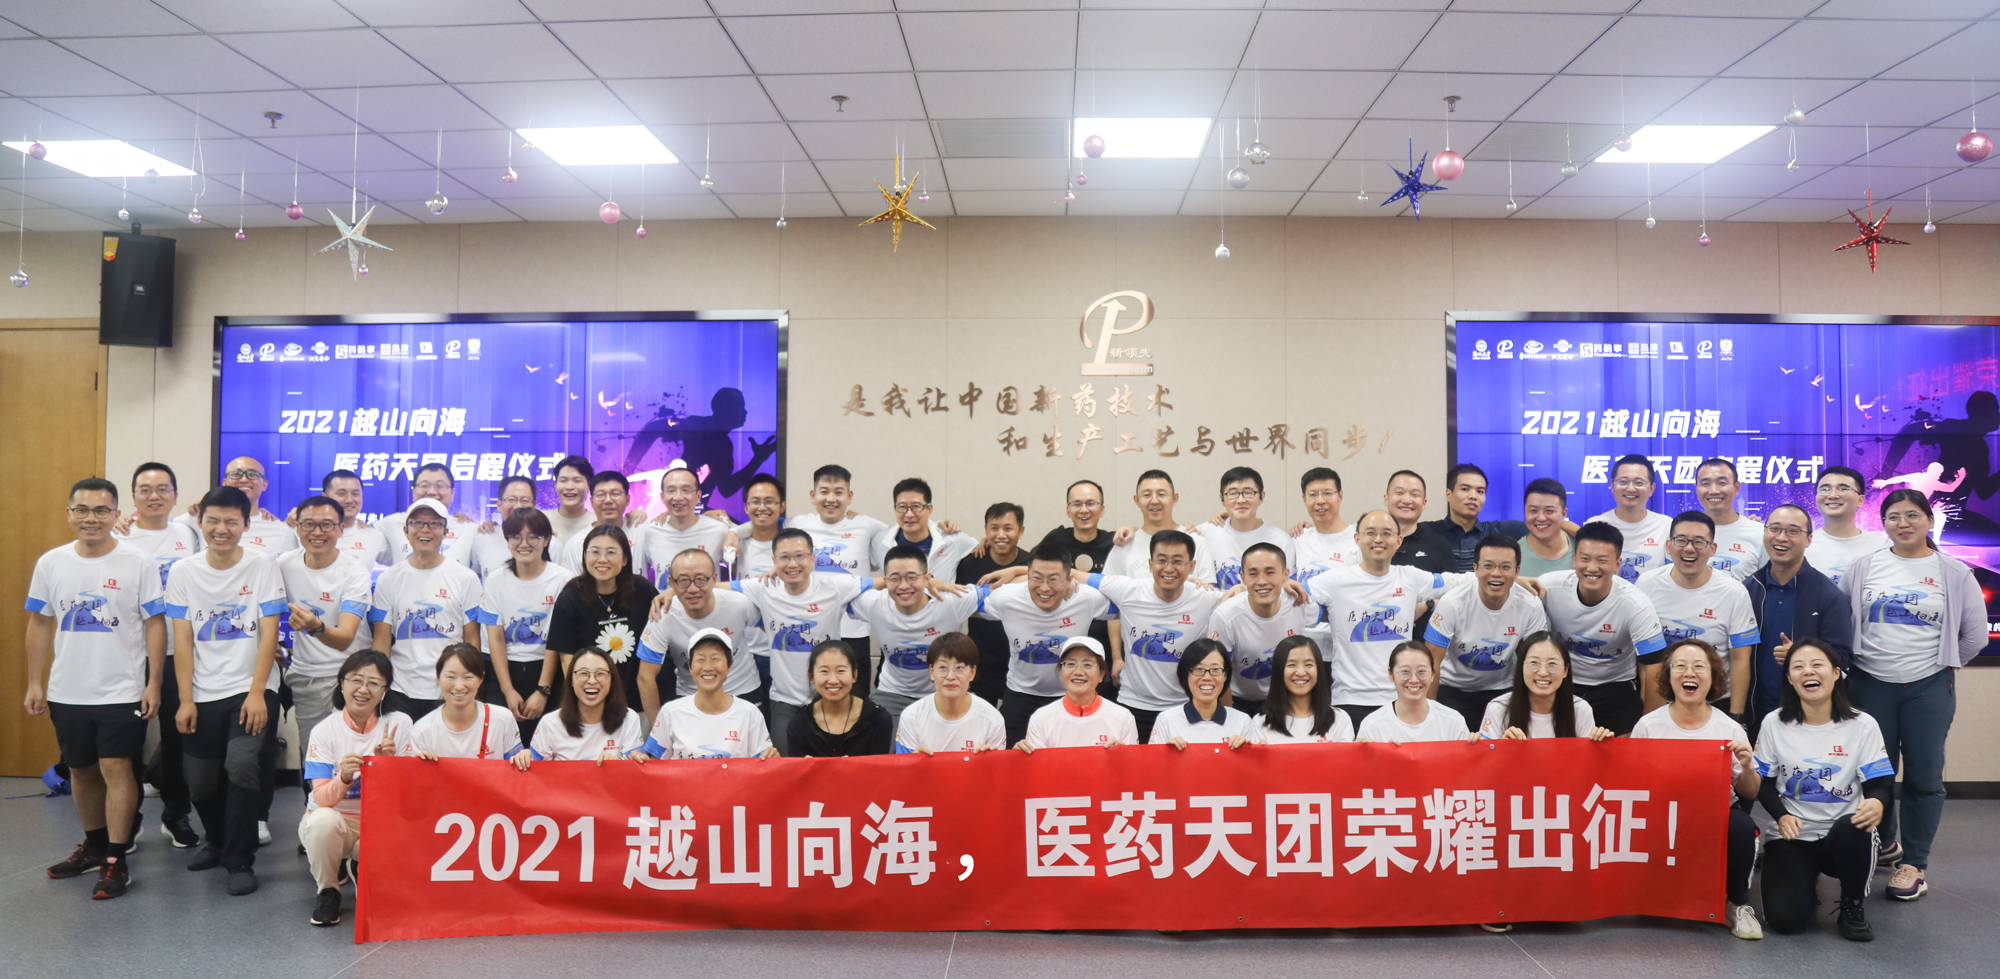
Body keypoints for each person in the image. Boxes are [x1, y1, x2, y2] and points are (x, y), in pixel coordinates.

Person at [26, 477, 167, 898]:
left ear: (116, 514)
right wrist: (34, 681)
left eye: (102, 510)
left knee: (116, 768)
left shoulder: (138, 562)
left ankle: (116, 858)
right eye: (83, 510)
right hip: (67, 690)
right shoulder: (51, 562)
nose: (92, 518)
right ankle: (94, 845)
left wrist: (154, 682)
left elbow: (154, 624)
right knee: (81, 770)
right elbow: (40, 622)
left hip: (122, 690)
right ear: (69, 514)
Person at [1840, 488, 1984, 900]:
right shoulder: (1863, 567)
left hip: (1929, 686)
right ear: (1882, 523)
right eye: (1893, 517)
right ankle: (1885, 844)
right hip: (1869, 683)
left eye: (1912, 515)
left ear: (1929, 520)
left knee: (1924, 775)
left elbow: (1973, 636)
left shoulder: (1954, 572)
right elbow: (1845, 623)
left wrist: (1940, 666)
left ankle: (1915, 863)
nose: (1903, 523)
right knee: (1875, 772)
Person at [167, 486, 286, 896]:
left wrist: (258, 692)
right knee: (199, 782)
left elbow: (269, 633)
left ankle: (239, 858)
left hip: (251, 687)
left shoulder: (263, 566)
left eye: (231, 521)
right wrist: (185, 699)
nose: (221, 529)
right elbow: (183, 639)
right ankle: (217, 841)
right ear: (200, 522)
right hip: (202, 691)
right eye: (213, 520)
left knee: (241, 766)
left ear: (246, 525)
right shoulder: (183, 572)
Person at [1754, 638, 1892, 941]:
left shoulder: (1863, 725)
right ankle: (1804, 882)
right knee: (1785, 921)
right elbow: (1761, 783)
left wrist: (1877, 802)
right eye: (1798, 667)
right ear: (1790, 679)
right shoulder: (1773, 723)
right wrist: (1781, 816)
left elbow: (1880, 784)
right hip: (1793, 836)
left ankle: (1852, 904)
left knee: (1857, 824)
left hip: (1843, 835)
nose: (1808, 671)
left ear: (1836, 673)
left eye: (1817, 664)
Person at [1631, 639, 1764, 941]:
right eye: (1680, 666)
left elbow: (1750, 792)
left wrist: (1746, 767)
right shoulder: (1648, 726)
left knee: (1742, 827)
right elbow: (1633, 784)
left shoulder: (1729, 728)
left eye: (1699, 667)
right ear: (1668, 676)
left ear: (1713, 676)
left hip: (1714, 814)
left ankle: (1736, 905)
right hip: (1661, 815)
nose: (1689, 673)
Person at [114, 461, 203, 849]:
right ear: (133, 496)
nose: (154, 496)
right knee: (129, 740)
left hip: (176, 653)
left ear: (175, 496)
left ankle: (175, 814)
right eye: (145, 489)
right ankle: (128, 821)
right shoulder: (118, 536)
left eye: (163, 489)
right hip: (130, 655)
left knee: (176, 737)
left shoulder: (187, 532)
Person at [1307, 510, 1464, 728]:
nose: (1378, 539)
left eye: (1386, 533)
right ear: (1357, 538)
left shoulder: (1410, 577)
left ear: (1398, 541)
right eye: (1370, 533)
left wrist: (1501, 578)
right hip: (1350, 700)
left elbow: (1454, 582)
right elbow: (1295, 595)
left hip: (1400, 698)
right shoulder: (1334, 581)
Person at [728, 527, 874, 754]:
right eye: (784, 558)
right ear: (774, 561)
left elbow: (887, 582)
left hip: (830, 698)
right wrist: (672, 592)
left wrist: (926, 583)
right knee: (787, 764)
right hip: (785, 702)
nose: (792, 564)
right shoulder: (764, 587)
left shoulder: (834, 586)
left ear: (812, 558)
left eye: (799, 556)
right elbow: (711, 589)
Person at [298, 649, 411, 927]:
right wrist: (344, 777)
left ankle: (362, 867)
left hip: (379, 822)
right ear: (342, 684)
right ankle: (328, 890)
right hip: (338, 822)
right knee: (323, 820)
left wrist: (389, 766)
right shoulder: (323, 731)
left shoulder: (400, 724)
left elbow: (408, 794)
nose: (363, 689)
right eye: (356, 680)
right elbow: (321, 799)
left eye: (374, 683)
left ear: (385, 691)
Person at [1087, 530, 1230, 743]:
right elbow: (1075, 576)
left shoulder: (1205, 597)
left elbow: (1245, 600)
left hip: (1184, 707)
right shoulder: (1129, 590)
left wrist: (1241, 587)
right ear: (1150, 564)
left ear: (1192, 566)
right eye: (1161, 560)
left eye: (1178, 561)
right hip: (1133, 705)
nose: (1169, 568)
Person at [276, 495, 374, 788]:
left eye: (326, 525)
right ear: (297, 528)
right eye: (308, 525)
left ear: (341, 529)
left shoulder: (354, 572)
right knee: (315, 760)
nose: (317, 532)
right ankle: (315, 814)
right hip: (307, 678)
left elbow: (345, 638)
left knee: (354, 760)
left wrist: (315, 627)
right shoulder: (283, 565)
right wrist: (271, 647)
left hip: (353, 678)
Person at [972, 543, 1113, 746]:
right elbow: (959, 601)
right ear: (1028, 576)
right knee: (1014, 757)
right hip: (1021, 694)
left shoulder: (1086, 597)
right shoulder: (1006, 597)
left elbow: (1131, 601)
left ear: (1069, 579)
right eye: (1037, 578)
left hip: (1070, 695)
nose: (1044, 588)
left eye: (1054, 579)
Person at [1536, 521, 1667, 735]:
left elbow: (1654, 668)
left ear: (1617, 565)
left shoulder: (1636, 605)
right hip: (1563, 683)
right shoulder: (1549, 586)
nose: (1592, 568)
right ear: (1574, 559)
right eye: (1585, 559)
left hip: (1616, 687)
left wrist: (1647, 731)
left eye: (1602, 560)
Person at [369, 499, 484, 719]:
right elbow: (381, 641)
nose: (425, 529)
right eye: (417, 523)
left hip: (451, 689)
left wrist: (471, 684)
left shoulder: (465, 578)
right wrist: (378, 686)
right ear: (406, 531)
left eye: (434, 524)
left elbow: (472, 639)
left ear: (446, 532)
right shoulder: (388, 579)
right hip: (401, 689)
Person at [1635, 511, 1758, 716]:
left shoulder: (1734, 592)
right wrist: (1648, 702)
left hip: (1716, 702)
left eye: (1699, 542)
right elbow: (1642, 653)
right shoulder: (1647, 584)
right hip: (1662, 701)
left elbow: (1740, 660)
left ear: (1712, 549)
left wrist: (1736, 716)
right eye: (1681, 540)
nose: (1689, 548)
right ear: (1668, 546)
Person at [1742, 504, 1853, 729]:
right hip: (1755, 710)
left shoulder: (1829, 595)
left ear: (1809, 539)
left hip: (1809, 713)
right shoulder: (1748, 589)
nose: (1781, 537)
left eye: (1793, 531)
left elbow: (1843, 659)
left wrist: (1801, 655)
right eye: (1774, 529)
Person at [849, 545, 987, 721]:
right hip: (893, 694)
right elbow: (831, 591)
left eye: (912, 577)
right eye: (895, 578)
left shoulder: (950, 601)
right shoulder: (874, 603)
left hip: (943, 693)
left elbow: (1007, 591)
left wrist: (1016, 570)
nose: (904, 586)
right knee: (878, 733)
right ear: (885, 581)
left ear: (927, 578)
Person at [1426, 535, 1548, 728]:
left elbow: (1535, 660)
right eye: (1488, 566)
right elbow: (1431, 663)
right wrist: (1430, 718)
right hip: (1453, 688)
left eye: (1505, 567)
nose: (1496, 574)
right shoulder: (1452, 603)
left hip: (1503, 689)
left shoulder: (1530, 605)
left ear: (1517, 571)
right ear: (1476, 569)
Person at [547, 525, 662, 723]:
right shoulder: (570, 597)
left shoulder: (642, 590)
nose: (602, 559)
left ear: (625, 559)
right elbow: (567, 661)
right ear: (584, 557)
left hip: (638, 702)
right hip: (591, 704)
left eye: (611, 552)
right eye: (595, 552)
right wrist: (584, 701)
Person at [475, 507, 571, 743]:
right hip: (505, 671)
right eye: (515, 537)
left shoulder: (563, 580)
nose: (524, 544)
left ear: (546, 540)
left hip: (549, 671)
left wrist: (543, 690)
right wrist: (507, 690)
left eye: (533, 537)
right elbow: (496, 638)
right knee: (501, 744)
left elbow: (559, 639)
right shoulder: (496, 580)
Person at [639, 549, 763, 724]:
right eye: (683, 580)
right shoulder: (661, 616)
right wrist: (657, 731)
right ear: (672, 583)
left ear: (713, 579)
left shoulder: (738, 604)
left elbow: (772, 627)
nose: (692, 589)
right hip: (691, 696)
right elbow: (645, 677)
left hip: (744, 691)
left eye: (700, 579)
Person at [788, 465, 888, 664]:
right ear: (813, 496)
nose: (831, 499)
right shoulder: (796, 524)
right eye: (824, 491)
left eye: (838, 492)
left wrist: (941, 527)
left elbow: (908, 531)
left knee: (856, 683)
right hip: (811, 628)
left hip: (854, 630)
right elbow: (762, 525)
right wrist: (734, 532)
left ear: (849, 497)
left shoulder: (867, 525)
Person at [1208, 542, 1320, 717]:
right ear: (1243, 578)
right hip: (1239, 701)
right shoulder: (1225, 615)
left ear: (1285, 575)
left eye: (1270, 572)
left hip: (1287, 698)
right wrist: (1230, 719)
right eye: (1253, 574)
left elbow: (1329, 613)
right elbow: (1218, 672)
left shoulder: (1299, 602)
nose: (1262, 581)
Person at [634, 630, 776, 760]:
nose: (708, 667)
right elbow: (654, 765)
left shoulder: (749, 714)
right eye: (700, 659)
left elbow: (764, 765)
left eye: (715, 659)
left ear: (730, 665)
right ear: (690, 666)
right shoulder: (670, 712)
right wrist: (639, 761)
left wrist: (772, 759)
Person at [1474, 631, 1612, 741]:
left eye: (1552, 664)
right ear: (1521, 667)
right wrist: (1503, 750)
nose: (1543, 672)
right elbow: (1488, 764)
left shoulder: (1581, 710)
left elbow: (1586, 764)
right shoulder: (1498, 709)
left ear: (1565, 670)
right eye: (1534, 663)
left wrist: (1602, 746)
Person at [518, 646, 645, 765]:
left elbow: (635, 772)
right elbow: (535, 772)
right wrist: (524, 759)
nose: (592, 681)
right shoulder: (550, 723)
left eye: (600, 673)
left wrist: (618, 766)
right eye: (583, 673)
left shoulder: (629, 719)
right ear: (571, 681)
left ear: (612, 680)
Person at [957, 502, 1030, 706]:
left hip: (1021, 663)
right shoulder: (969, 564)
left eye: (1008, 528)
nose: (1001, 535)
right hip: (980, 663)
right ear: (986, 530)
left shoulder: (1032, 563)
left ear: (1021, 531)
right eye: (994, 528)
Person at [407, 644, 525, 761]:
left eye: (468, 677)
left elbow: (515, 765)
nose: (459, 686)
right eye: (450, 677)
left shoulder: (503, 720)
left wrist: (522, 759)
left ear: (481, 679)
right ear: (438, 678)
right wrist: (419, 767)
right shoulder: (422, 731)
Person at [1018, 637, 1139, 751]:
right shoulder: (1041, 719)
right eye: (1071, 664)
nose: (1078, 672)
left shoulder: (1123, 718)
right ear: (1061, 673)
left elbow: (1132, 765)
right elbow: (1038, 765)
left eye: (1087, 665)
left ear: (1101, 674)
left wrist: (1122, 757)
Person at [894, 632, 1007, 753]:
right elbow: (903, 764)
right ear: (931, 672)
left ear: (972, 673)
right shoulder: (911, 717)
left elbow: (999, 765)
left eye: (959, 668)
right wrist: (913, 761)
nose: (950, 676)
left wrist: (988, 761)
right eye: (943, 668)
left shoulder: (992, 719)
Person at [164, 456, 296, 556]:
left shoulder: (281, 531)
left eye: (253, 474)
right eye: (236, 474)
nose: (244, 479)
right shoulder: (199, 518)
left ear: (265, 484)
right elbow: (160, 527)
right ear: (224, 483)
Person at [786, 640, 894, 757]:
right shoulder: (799, 725)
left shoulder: (878, 720)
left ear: (854, 675)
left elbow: (879, 767)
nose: (833, 680)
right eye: (824, 671)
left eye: (841, 671)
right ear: (811, 677)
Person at [1418, 464, 1532, 573]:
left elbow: (1539, 529)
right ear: (1449, 494)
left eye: (1480, 491)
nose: (1473, 496)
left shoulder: (1499, 531)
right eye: (1465, 489)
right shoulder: (1425, 531)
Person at [1105, 470, 1216, 581]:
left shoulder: (1197, 541)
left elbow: (1207, 588)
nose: (1154, 501)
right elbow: (1108, 586)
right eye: (1147, 495)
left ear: (1175, 499)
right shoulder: (1125, 545)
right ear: (1137, 500)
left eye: (1161, 494)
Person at [1194, 467, 1295, 587]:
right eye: (1233, 494)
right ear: (1222, 499)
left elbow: (1288, 588)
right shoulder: (1204, 533)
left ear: (1261, 497)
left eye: (1248, 493)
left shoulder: (1281, 541)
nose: (1241, 500)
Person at [1354, 643, 1471, 743]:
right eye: (1405, 671)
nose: (1414, 680)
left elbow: (1465, 762)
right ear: (1391, 674)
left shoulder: (1454, 722)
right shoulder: (1372, 726)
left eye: (1421, 671)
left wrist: (1476, 745)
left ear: (1432, 675)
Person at [1148, 638, 1254, 748]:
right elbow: (1153, 759)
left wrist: (1244, 752)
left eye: (1215, 669)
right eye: (1198, 669)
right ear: (1186, 675)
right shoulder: (1167, 720)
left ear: (1225, 676)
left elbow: (1253, 759)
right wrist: (1168, 753)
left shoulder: (1242, 722)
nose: (1207, 677)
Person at [643, 462, 737, 583]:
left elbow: (742, 570)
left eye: (686, 490)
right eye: (671, 491)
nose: (678, 497)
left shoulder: (719, 530)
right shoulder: (650, 531)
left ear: (698, 496)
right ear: (662, 497)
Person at [870, 477, 973, 586]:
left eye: (916, 507)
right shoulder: (880, 541)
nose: (909, 514)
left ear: (929, 509)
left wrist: (984, 540)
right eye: (902, 507)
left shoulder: (952, 540)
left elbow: (982, 551)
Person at [1256, 636, 1354, 744]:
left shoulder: (1340, 720)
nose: (1301, 672)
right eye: (1291, 665)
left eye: (1309, 665)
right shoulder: (1260, 723)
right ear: (1279, 671)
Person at [1588, 454, 1670, 583]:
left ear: (1651, 489)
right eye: (1623, 482)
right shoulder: (1595, 525)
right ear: (1612, 486)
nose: (1631, 489)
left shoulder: (1666, 526)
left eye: (1639, 483)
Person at [1804, 466, 1888, 589]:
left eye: (1843, 489)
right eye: (1825, 489)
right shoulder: (1802, 546)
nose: (1833, 495)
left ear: (1860, 500)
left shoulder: (1882, 547)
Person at [381, 463, 475, 567]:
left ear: (452, 492)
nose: (432, 492)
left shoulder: (468, 529)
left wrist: (487, 526)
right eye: (424, 486)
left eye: (440, 486)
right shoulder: (391, 524)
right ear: (414, 491)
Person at [557, 471, 649, 574]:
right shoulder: (576, 544)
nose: (608, 500)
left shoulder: (642, 529)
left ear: (627, 500)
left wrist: (663, 516)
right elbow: (572, 583)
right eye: (600, 495)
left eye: (615, 494)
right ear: (591, 502)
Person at [1692, 458, 1766, 580]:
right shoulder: (1680, 533)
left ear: (1736, 488)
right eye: (1705, 484)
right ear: (1696, 489)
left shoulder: (1760, 534)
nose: (1714, 491)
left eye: (1722, 483)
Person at [468, 476, 542, 579]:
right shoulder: (482, 538)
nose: (518, 506)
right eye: (511, 500)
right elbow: (474, 578)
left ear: (534, 506)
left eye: (524, 500)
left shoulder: (546, 542)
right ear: (499, 505)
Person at [1383, 471, 1454, 572]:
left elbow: (1451, 581)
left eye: (1415, 495)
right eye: (1399, 493)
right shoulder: (1372, 541)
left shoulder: (1438, 545)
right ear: (1386, 499)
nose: (1407, 500)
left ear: (1424, 503)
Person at [321, 469, 390, 568]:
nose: (349, 500)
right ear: (325, 497)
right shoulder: (306, 533)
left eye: (355, 494)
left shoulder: (375, 536)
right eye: (341, 494)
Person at [1516, 477, 1575, 578]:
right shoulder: (1512, 557)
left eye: (1549, 511)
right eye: (1533, 511)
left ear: (1564, 514)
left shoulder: (1582, 550)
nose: (1541, 518)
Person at [733, 473, 787, 580]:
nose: (762, 508)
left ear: (782, 506)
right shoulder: (735, 544)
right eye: (756, 502)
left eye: (769, 501)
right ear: (746, 507)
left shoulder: (793, 546)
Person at [541, 454, 596, 547]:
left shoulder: (598, 524)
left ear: (590, 486)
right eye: (563, 481)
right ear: (555, 485)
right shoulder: (541, 520)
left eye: (577, 480)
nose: (569, 487)